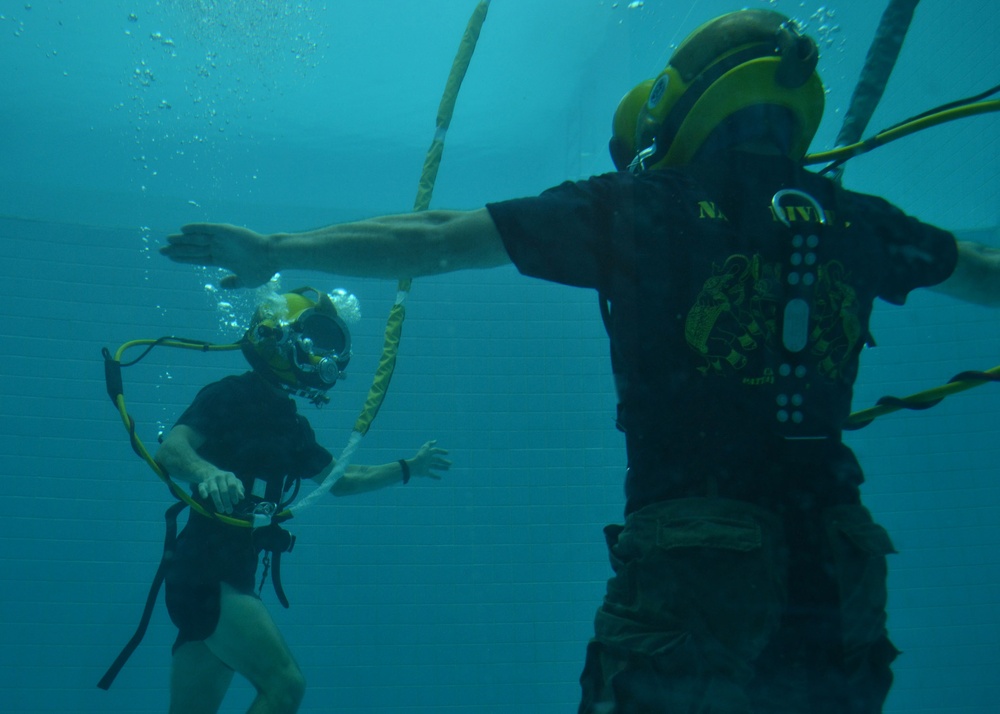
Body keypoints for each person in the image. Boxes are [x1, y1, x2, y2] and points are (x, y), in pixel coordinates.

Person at [161, 9, 1000, 713]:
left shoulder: (640, 209)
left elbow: (433, 238)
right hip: (844, 566)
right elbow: (985, 278)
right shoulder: (859, 219)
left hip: (697, 561)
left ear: (675, 108)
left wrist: (276, 247)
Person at [155, 286, 451, 714]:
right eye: (316, 339)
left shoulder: (291, 426)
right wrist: (210, 472)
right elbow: (172, 450)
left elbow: (343, 480)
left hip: (223, 575)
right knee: (285, 685)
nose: (322, 355)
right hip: (205, 572)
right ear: (279, 337)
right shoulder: (229, 395)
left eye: (331, 344)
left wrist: (407, 467)